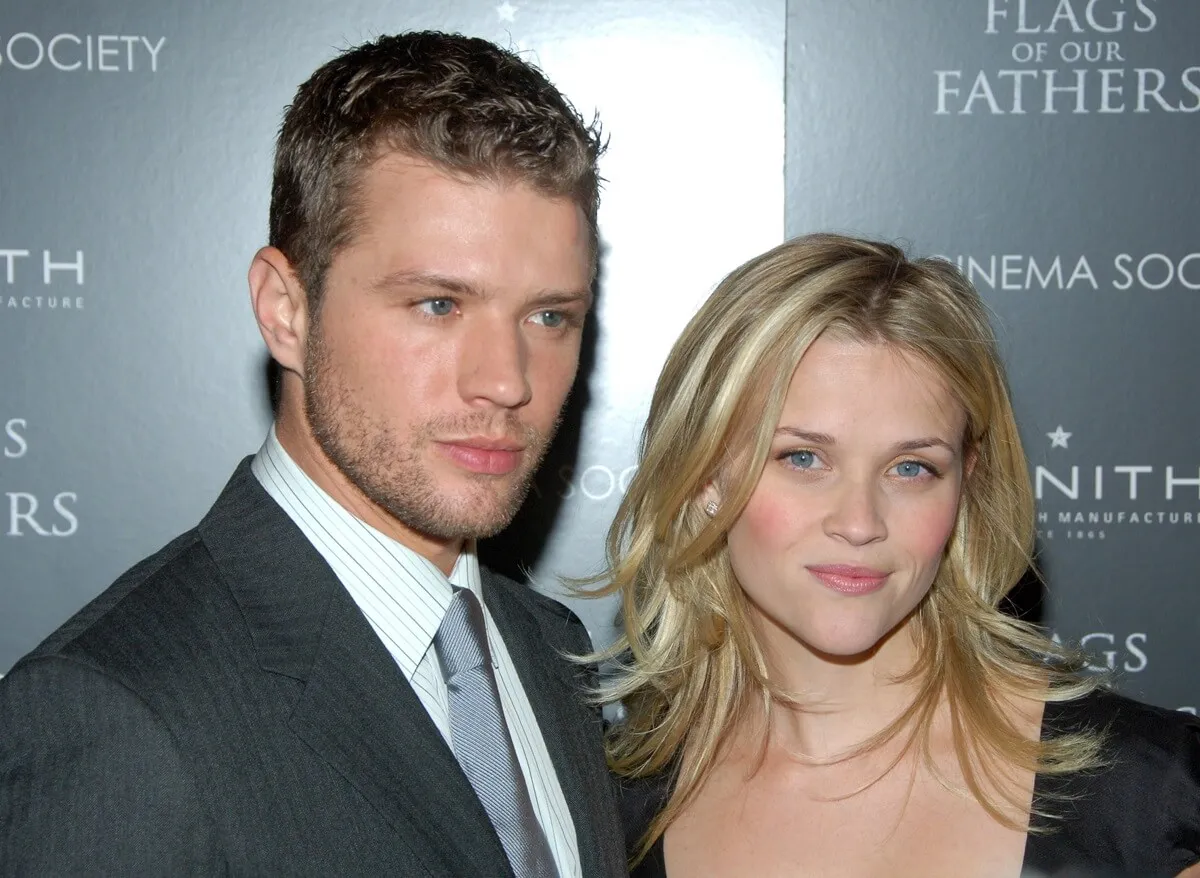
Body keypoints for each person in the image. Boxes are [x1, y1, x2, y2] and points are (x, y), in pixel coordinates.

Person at [0, 32, 627, 877]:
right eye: (439, 304)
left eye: (549, 316)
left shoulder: (550, 651)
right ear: (286, 311)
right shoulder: (121, 711)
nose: (506, 382)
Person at [591, 234, 1200, 878]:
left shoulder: (1142, 793)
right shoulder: (610, 810)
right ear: (708, 477)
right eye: (803, 458)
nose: (860, 523)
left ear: (965, 484)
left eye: (911, 468)